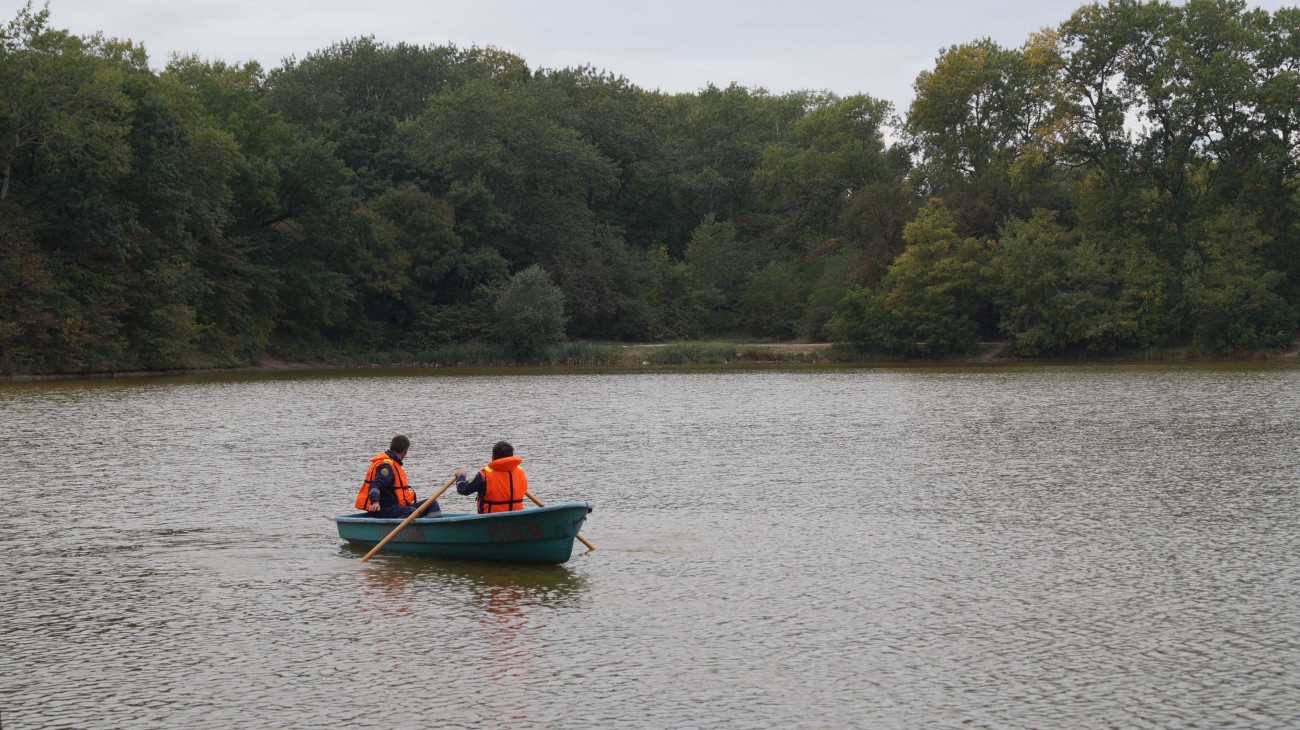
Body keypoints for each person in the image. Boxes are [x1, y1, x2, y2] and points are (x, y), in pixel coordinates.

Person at [354, 435, 442, 518]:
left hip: (396, 508)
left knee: (431, 503)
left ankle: (435, 529)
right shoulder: (387, 466)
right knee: (411, 511)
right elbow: (376, 484)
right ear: (405, 451)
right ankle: (405, 532)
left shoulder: (393, 464)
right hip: (381, 510)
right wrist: (375, 502)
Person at [454, 441, 527, 514]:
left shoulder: (484, 475)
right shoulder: (520, 472)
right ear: (512, 456)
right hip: (516, 519)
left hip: (490, 520)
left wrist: (461, 476)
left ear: (492, 456)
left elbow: (463, 489)